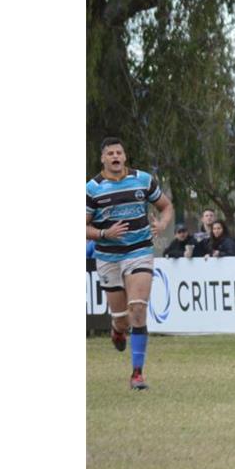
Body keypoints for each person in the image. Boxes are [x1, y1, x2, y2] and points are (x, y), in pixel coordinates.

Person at [85, 136, 174, 390]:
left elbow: (166, 206)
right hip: (109, 257)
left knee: (137, 309)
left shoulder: (143, 180)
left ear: (125, 157)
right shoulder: (92, 189)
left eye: (119, 153)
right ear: (102, 158)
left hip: (139, 251)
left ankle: (137, 374)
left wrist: (162, 223)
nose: (115, 157)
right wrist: (104, 234)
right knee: (122, 318)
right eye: (110, 153)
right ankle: (117, 329)